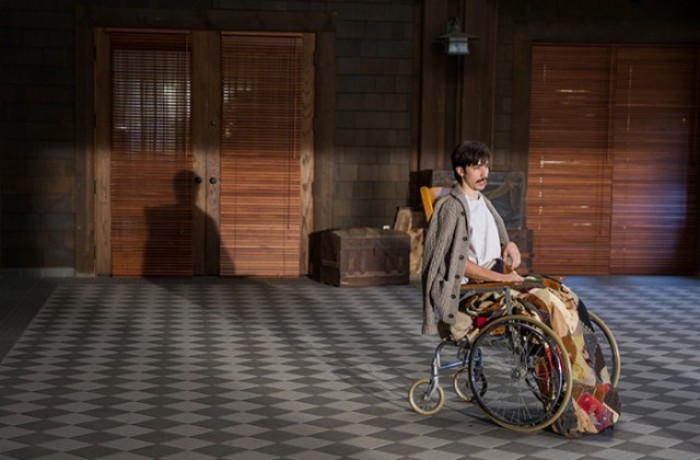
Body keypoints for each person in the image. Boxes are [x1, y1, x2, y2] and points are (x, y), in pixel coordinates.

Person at [421, 140, 620, 437]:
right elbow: (456, 265)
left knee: (567, 299)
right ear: (460, 170)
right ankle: (568, 398)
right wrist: (502, 279)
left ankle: (587, 385)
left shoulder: (482, 202)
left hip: (497, 281)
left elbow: (495, 242)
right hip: (478, 293)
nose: (484, 172)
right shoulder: (451, 207)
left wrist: (509, 245)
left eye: (486, 166)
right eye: (476, 167)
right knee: (547, 306)